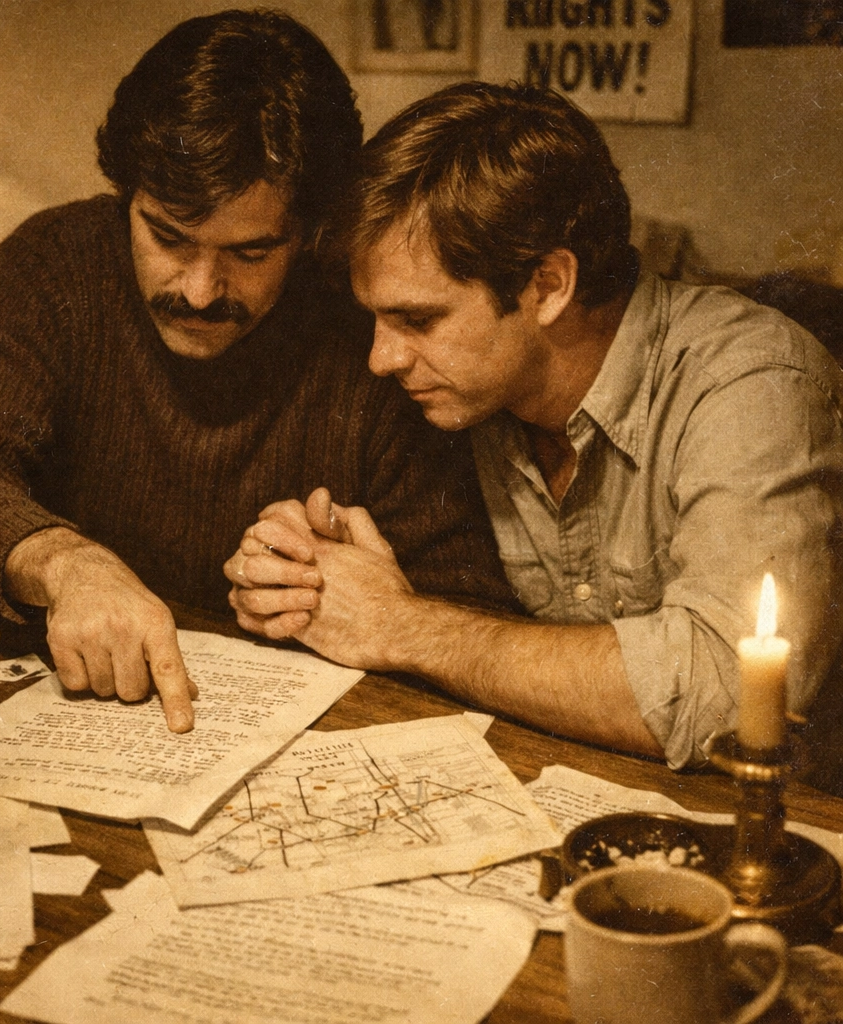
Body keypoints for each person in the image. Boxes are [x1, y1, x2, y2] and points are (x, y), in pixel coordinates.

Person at [0, 15, 514, 734]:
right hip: (62, 718)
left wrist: (366, 595)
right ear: (124, 196)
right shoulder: (54, 263)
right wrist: (66, 563)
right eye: (166, 236)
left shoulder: (373, 329)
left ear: (311, 234)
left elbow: (473, 608)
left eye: (251, 252)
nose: (199, 290)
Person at [226, 81, 843, 769]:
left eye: (418, 320)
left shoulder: (749, 383)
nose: (381, 358)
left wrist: (401, 625)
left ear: (549, 286)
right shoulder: (465, 388)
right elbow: (371, 578)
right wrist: (302, 569)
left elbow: (726, 693)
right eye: (377, 318)